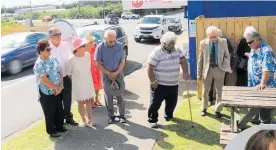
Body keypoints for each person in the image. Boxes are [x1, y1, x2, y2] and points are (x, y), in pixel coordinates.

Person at [147, 32, 190, 128]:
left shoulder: (177, 50)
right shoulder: (156, 52)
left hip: (173, 83)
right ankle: (152, 119)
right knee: (155, 103)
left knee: (172, 102)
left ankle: (169, 116)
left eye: (173, 44)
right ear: (164, 43)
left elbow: (183, 61)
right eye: (169, 44)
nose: (171, 46)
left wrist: (186, 72)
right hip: (160, 84)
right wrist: (153, 81)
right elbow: (150, 67)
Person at [238, 32, 276, 129]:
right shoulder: (254, 48)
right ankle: (255, 123)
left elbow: (266, 69)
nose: (248, 45)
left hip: (264, 88)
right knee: (254, 109)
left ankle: (266, 131)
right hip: (254, 85)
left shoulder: (266, 51)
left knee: (265, 112)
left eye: (249, 43)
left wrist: (262, 83)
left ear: (256, 40)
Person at [33, 40, 67, 137]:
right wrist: (56, 88)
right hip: (46, 92)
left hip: (57, 89)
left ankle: (60, 126)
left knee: (59, 109)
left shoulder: (53, 58)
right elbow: (43, 79)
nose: (50, 51)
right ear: (41, 51)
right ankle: (52, 130)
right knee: (49, 112)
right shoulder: (39, 64)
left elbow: (59, 71)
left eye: (50, 49)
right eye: (48, 49)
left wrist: (60, 86)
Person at [197, 26, 232, 118]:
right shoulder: (203, 43)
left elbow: (227, 55)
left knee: (219, 91)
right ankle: (204, 108)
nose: (213, 39)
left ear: (217, 34)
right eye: (211, 37)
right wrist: (199, 73)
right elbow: (200, 59)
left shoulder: (223, 42)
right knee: (205, 91)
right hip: (207, 70)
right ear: (207, 35)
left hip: (219, 69)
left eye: (214, 37)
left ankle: (218, 110)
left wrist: (224, 66)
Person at [94, 30, 127, 124]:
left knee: (120, 94)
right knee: (108, 95)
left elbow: (122, 61)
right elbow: (97, 63)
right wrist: (108, 73)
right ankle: (111, 116)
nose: (113, 43)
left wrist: (116, 73)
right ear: (105, 39)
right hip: (106, 74)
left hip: (118, 73)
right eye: (110, 41)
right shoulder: (100, 47)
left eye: (114, 40)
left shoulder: (119, 45)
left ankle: (122, 116)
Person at [48, 27, 78, 126]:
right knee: (56, 101)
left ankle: (69, 118)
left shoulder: (65, 45)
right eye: (56, 35)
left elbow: (70, 59)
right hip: (53, 80)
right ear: (50, 36)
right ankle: (59, 120)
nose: (59, 36)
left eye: (60, 34)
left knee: (67, 99)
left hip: (66, 77)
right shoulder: (47, 47)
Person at [67, 37, 96, 127]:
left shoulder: (87, 55)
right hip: (78, 83)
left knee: (88, 101)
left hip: (87, 81)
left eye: (84, 45)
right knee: (81, 101)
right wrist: (76, 79)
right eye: (83, 46)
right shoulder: (71, 59)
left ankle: (90, 119)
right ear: (77, 48)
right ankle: (83, 119)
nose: (85, 47)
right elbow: (68, 73)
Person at [208, 29, 236, 106]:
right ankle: (209, 99)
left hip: (221, 67)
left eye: (218, 35)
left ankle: (219, 101)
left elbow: (230, 52)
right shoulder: (209, 41)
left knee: (221, 85)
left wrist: (226, 61)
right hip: (211, 66)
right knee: (210, 83)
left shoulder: (225, 41)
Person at [86, 36, 103, 108]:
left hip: (96, 68)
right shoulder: (85, 48)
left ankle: (96, 99)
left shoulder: (96, 47)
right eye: (90, 42)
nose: (92, 43)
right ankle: (92, 101)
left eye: (93, 41)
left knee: (97, 85)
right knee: (91, 86)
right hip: (89, 70)